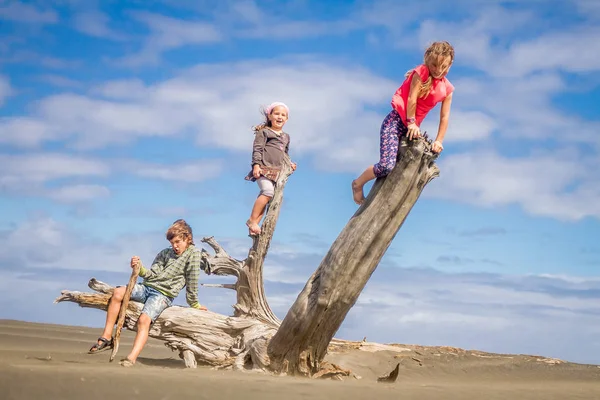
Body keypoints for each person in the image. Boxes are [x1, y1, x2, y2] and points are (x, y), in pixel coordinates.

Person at [87, 219, 209, 367]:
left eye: (178, 242)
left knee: (144, 320)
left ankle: (131, 358)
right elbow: (152, 274)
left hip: (163, 295)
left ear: (187, 237)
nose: (175, 246)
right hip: (146, 287)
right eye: (172, 243)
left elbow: (192, 280)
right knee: (118, 292)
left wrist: (194, 303)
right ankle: (106, 337)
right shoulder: (165, 253)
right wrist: (139, 267)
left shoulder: (193, 254)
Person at [351, 41, 455, 205]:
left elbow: (445, 117)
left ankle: (383, 203)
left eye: (443, 66)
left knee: (404, 168)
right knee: (386, 166)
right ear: (428, 59)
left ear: (449, 65)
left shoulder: (447, 89)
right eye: (434, 65)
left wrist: (439, 141)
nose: (438, 70)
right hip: (396, 122)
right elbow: (412, 98)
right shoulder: (421, 72)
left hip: (411, 130)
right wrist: (412, 122)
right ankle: (358, 183)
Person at [245, 102, 297, 235]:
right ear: (270, 116)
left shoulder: (286, 137)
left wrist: (289, 163)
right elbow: (257, 149)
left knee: (268, 198)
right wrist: (256, 165)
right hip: (263, 169)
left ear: (287, 119)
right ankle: (251, 220)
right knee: (267, 192)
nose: (280, 117)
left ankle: (254, 226)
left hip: (277, 173)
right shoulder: (264, 132)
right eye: (277, 114)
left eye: (283, 115)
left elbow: (285, 153)